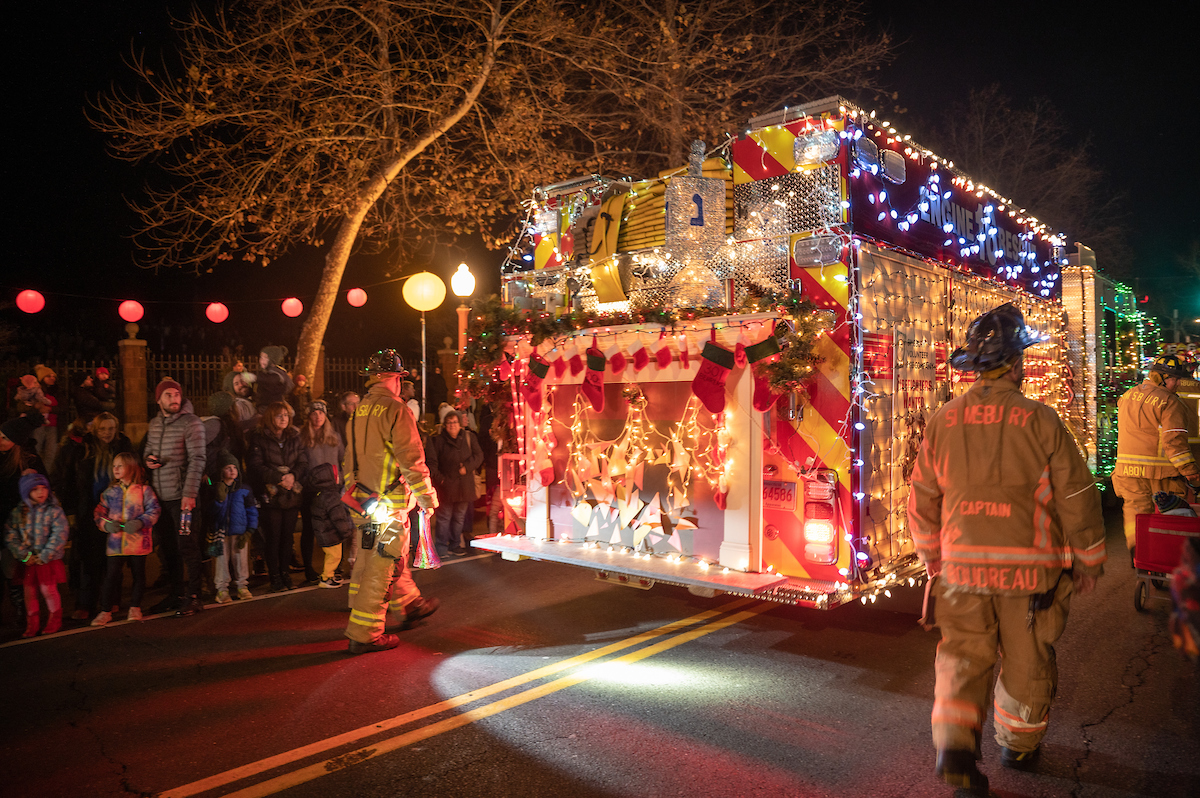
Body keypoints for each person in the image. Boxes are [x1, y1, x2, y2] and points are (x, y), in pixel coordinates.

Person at [906, 303, 1107, 795]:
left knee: (961, 660)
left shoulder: (943, 420)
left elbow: (922, 497)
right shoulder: (1040, 420)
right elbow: (1077, 497)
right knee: (1026, 663)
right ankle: (1017, 747)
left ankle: (955, 750)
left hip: (960, 572)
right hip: (1030, 578)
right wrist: (1089, 560)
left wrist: (933, 557)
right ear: (1016, 363)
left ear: (973, 366)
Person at [342, 349, 439, 654]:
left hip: (362, 501)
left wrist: (354, 493)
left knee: (377, 559)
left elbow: (349, 459)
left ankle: (409, 604)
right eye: (399, 378)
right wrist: (426, 497)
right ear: (393, 378)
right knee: (383, 566)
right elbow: (411, 459)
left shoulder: (359, 411)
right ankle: (366, 633)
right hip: (390, 504)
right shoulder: (397, 410)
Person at [1112, 353, 1199, 560]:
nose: (1178, 384)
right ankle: (1167, 557)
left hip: (1127, 471)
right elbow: (1174, 444)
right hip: (1161, 473)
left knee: (1136, 513)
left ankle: (1138, 553)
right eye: (1174, 379)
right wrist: (1192, 474)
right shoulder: (1170, 402)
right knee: (1169, 517)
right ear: (1161, 376)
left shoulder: (1126, 396)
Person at [143, 378, 207, 617]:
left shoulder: (192, 423)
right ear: (158, 399)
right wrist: (148, 460)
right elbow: (148, 450)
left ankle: (194, 595)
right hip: (162, 497)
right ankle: (175, 593)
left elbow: (198, 460)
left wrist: (189, 494)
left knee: (187, 546)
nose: (174, 399)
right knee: (168, 548)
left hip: (183, 499)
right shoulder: (155, 424)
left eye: (176, 395)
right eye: (168, 395)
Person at [71, 412, 134, 621]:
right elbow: (70, 479)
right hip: (90, 509)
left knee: (114, 558)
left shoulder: (124, 448)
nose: (107, 433)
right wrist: (72, 511)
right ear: (95, 430)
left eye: (111, 428)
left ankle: (112, 598)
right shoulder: (84, 449)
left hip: (117, 510)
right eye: (102, 429)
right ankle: (85, 603)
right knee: (90, 558)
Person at [91, 453, 160, 626]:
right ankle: (105, 611)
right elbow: (99, 513)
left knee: (138, 574)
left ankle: (135, 607)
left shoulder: (145, 491)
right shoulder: (110, 492)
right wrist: (106, 525)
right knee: (111, 576)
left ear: (131, 467)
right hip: (116, 543)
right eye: (114, 466)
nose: (115, 469)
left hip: (138, 541)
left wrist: (140, 522)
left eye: (120, 466)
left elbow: (154, 511)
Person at [246, 401, 308, 593]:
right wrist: (278, 478)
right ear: (270, 417)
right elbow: (256, 465)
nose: (283, 419)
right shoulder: (259, 438)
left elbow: (302, 461)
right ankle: (275, 577)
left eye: (286, 415)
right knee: (273, 537)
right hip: (270, 496)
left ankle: (285, 574)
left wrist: (293, 476)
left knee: (287, 538)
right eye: (279, 415)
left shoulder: (294, 436)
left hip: (291, 494)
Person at [4, 473, 69, 638]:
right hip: (29, 562)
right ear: (26, 492)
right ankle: (32, 623)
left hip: (46, 560)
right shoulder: (18, 513)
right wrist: (24, 555)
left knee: (49, 589)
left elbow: (60, 534)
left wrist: (46, 554)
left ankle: (55, 619)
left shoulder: (54, 511)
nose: (41, 492)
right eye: (35, 489)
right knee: (29, 592)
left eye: (44, 488)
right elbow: (11, 535)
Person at [1, 413, 47, 624]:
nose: (0, 441)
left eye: (5, 438)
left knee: (12, 567)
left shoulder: (29, 462)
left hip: (17, 522)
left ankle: (22, 608)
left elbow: (42, 490)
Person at [427, 410, 483, 557]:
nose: (452, 425)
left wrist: (467, 467)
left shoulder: (469, 438)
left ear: (460, 424)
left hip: (465, 486)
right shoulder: (437, 441)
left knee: (459, 518)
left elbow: (479, 456)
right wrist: (441, 479)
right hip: (446, 487)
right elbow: (432, 463)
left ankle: (455, 544)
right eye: (449, 423)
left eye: (455, 422)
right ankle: (441, 547)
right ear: (444, 425)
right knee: (444, 518)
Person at [299, 400, 344, 584]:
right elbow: (300, 463)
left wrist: (340, 477)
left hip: (332, 491)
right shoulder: (302, 437)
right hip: (311, 491)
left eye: (321, 413)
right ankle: (309, 569)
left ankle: (334, 567)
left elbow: (343, 459)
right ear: (309, 416)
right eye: (314, 413)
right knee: (310, 529)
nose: (318, 416)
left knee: (333, 529)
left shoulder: (334, 437)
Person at [205, 451, 258, 604]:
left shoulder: (244, 489)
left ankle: (242, 586)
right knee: (221, 561)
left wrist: (250, 530)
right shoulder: (215, 488)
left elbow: (251, 510)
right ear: (221, 470)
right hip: (221, 532)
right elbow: (210, 511)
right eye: (228, 467)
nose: (232, 470)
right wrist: (219, 500)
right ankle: (222, 589)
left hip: (239, 531)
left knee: (240, 560)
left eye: (234, 467)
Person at [308, 462, 354, 588]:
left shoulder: (320, 494)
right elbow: (338, 517)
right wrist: (346, 532)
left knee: (330, 555)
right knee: (334, 556)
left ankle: (329, 575)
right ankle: (326, 577)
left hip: (324, 533)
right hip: (331, 534)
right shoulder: (332, 497)